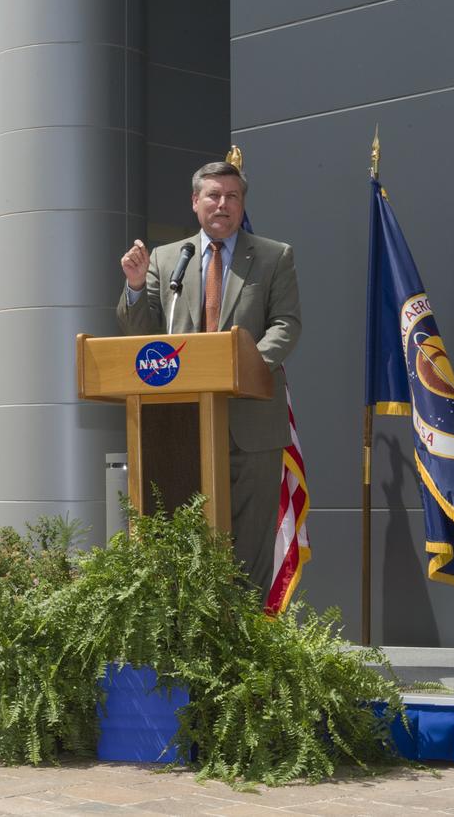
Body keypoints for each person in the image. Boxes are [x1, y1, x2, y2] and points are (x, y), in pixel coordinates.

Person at [116, 160, 301, 594]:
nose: (223, 204)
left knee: (249, 542)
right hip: (180, 423)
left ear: (242, 204)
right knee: (181, 536)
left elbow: (286, 325)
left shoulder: (275, 256)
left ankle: (246, 643)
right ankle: (191, 641)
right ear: (195, 202)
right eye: (214, 196)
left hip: (252, 423)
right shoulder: (166, 259)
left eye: (232, 196)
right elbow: (145, 339)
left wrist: (242, 366)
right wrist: (137, 287)